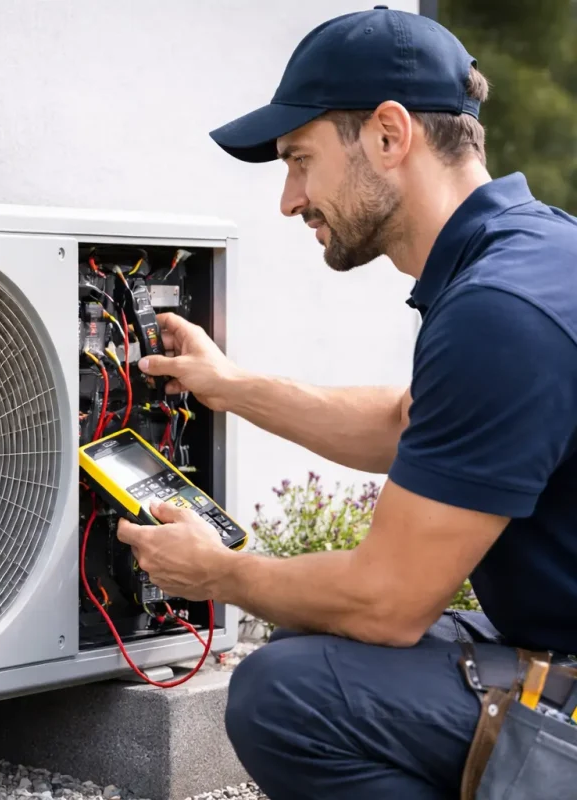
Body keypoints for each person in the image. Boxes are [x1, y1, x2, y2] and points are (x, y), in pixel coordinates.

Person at [117, 5, 577, 799]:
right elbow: (408, 425)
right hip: (554, 642)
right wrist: (228, 387)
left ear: (390, 136)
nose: (289, 201)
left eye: (301, 160)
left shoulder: (500, 312)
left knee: (284, 696)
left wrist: (218, 573)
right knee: (315, 636)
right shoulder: (533, 255)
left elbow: (388, 603)